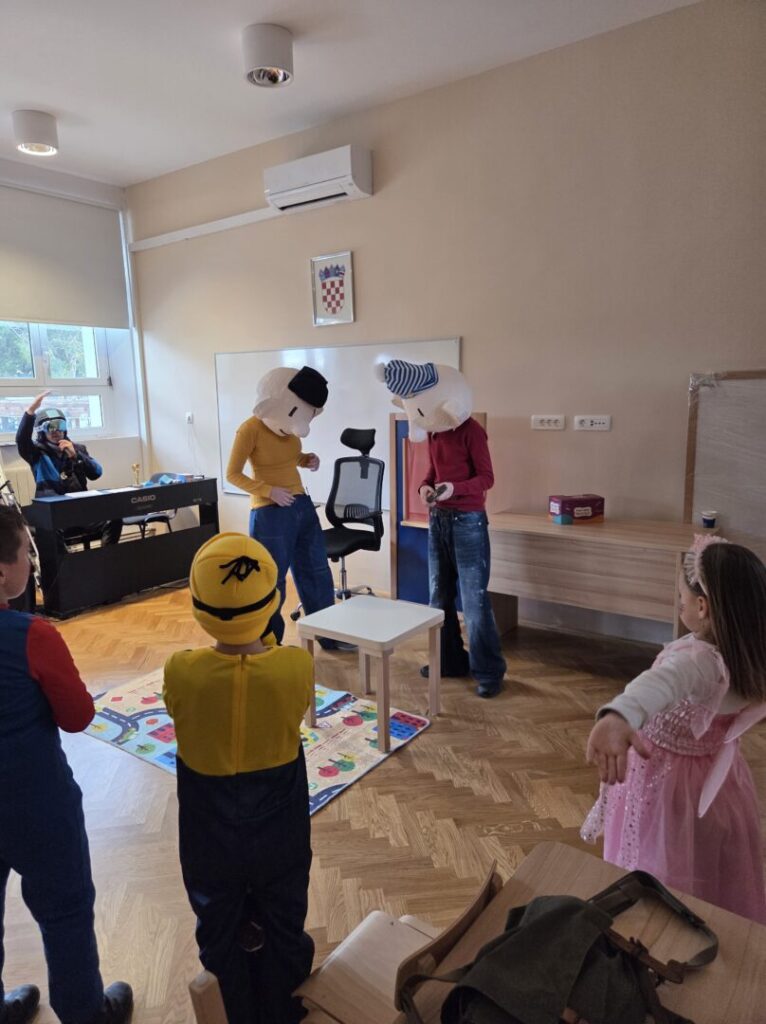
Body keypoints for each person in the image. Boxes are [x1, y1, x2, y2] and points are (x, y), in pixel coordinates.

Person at [163, 532, 315, 1024]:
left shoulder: (180, 670)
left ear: (198, 605)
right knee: (284, 910)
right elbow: (288, 695)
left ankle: (230, 1008)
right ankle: (285, 1003)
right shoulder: (296, 665)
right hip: (279, 817)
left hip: (207, 821)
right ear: (273, 602)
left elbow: (182, 707)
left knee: (217, 916)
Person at [581, 535, 766, 923]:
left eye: (681, 595)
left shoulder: (698, 661)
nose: (678, 601)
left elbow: (658, 684)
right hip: (719, 784)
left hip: (667, 783)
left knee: (663, 857)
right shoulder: (749, 653)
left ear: (702, 606)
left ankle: (657, 924)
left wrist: (618, 715)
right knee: (704, 858)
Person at [0, 504, 133, 1024]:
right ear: (4, 572)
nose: (31, 564)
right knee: (65, 911)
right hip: (36, 802)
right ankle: (83, 1013)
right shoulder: (32, 635)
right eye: (25, 554)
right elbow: (78, 717)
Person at [376, 359, 507, 697]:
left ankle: (489, 672)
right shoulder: (433, 429)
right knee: (439, 597)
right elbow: (433, 472)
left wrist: (454, 489)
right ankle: (449, 661)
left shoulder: (471, 431)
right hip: (439, 520)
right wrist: (425, 486)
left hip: (468, 522)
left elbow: (486, 478)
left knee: (474, 602)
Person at [226, 366, 338, 648]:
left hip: (301, 505)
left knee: (316, 571)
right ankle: (269, 643)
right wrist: (269, 491)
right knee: (271, 580)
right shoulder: (249, 429)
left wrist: (306, 459)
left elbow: (290, 457)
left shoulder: (290, 427)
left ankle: (328, 635)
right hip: (270, 512)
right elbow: (233, 474)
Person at [16, 391, 121, 547]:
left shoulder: (78, 449)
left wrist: (76, 456)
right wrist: (30, 412)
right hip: (54, 513)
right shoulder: (36, 453)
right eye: (50, 427)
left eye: (60, 426)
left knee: (114, 518)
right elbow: (22, 440)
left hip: (81, 510)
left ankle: (106, 557)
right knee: (48, 531)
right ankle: (67, 562)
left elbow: (96, 473)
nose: (56, 431)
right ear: (41, 431)